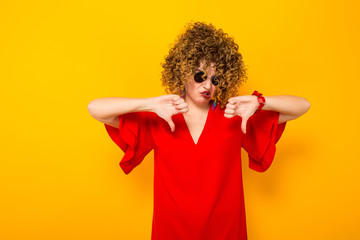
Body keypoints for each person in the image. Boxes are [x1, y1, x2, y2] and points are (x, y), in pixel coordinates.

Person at [87, 21, 310, 240]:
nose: (208, 86)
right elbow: (95, 108)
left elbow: (303, 105)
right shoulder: (160, 117)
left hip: (226, 230)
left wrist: (260, 102)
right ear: (182, 71)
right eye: (200, 76)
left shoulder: (234, 115)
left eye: (215, 79)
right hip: (171, 231)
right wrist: (148, 104)